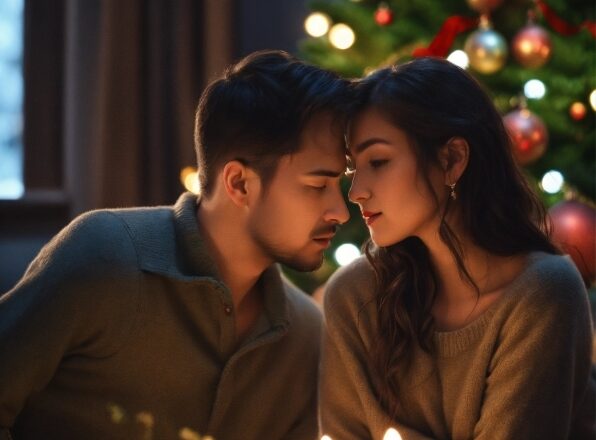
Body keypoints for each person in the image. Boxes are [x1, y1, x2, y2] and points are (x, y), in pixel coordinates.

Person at [0, 50, 351, 439]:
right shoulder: (104, 256)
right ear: (238, 183)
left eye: (340, 185)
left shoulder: (305, 334)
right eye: (318, 185)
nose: (341, 211)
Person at [319, 57, 595, 439]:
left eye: (378, 161)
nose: (356, 191)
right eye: (354, 169)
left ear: (452, 159)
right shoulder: (354, 297)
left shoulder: (544, 293)